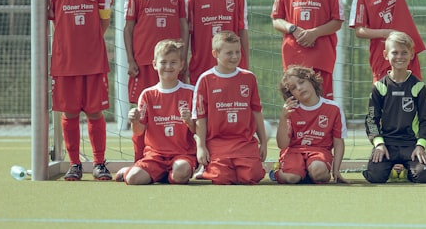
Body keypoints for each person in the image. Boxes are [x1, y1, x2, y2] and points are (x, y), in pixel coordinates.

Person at [47, 0, 114, 181]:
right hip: (65, 64)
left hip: (94, 62)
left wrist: (89, 43)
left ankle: (99, 163)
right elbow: (54, 20)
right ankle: (74, 164)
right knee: (70, 113)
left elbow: (103, 22)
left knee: (95, 113)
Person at [123, 0, 188, 161]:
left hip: (171, 64)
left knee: (170, 113)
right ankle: (139, 158)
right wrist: (131, 60)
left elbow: (184, 26)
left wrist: (184, 58)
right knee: (142, 114)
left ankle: (175, 155)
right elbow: (128, 28)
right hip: (144, 62)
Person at [192, 31, 267, 185]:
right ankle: (209, 168)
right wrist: (201, 146)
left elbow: (256, 111)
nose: (235, 56)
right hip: (217, 142)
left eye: (237, 52)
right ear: (215, 53)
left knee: (251, 177)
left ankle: (239, 166)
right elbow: (200, 117)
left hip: (244, 141)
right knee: (221, 178)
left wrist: (263, 142)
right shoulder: (205, 79)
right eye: (229, 53)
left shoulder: (249, 78)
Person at [362, 32, 426, 184]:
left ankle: (407, 170)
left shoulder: (418, 87)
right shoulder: (380, 87)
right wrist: (379, 144)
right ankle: (390, 170)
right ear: (385, 54)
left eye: (404, 52)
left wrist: (420, 145)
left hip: (411, 144)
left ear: (411, 55)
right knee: (375, 176)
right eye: (395, 52)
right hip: (387, 144)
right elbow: (371, 120)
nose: (399, 57)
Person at [120, 39, 197, 185]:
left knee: (181, 173)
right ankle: (132, 171)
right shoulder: (147, 95)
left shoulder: (191, 93)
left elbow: (198, 131)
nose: (168, 66)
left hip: (182, 155)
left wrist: (189, 121)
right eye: (163, 62)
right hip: (154, 156)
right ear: (155, 64)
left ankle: (164, 174)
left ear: (181, 65)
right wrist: (135, 120)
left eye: (173, 62)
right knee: (133, 179)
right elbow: (138, 131)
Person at [272, 65, 348, 184]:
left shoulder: (333, 108)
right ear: (291, 94)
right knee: (292, 178)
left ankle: (308, 172)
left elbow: (338, 143)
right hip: (294, 151)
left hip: (320, 152)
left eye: (301, 82)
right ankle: (278, 171)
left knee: (318, 172)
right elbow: (282, 145)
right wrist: (283, 118)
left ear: (311, 80)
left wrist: (336, 170)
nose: (299, 88)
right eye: (293, 88)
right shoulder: (290, 110)